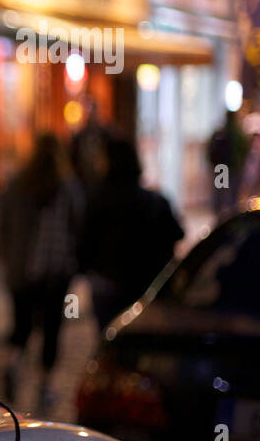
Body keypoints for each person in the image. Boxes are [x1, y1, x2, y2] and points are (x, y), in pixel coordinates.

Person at [0, 134, 83, 413]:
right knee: (51, 329)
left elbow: (5, 224)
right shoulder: (67, 186)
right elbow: (78, 223)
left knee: (20, 325)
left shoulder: (18, 183)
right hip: (55, 271)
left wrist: (8, 258)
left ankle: (12, 363)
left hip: (23, 270)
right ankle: (45, 386)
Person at [78, 135, 184, 330]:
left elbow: (84, 244)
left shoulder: (97, 202)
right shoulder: (154, 201)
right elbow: (177, 234)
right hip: (145, 283)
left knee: (110, 340)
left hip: (107, 284)